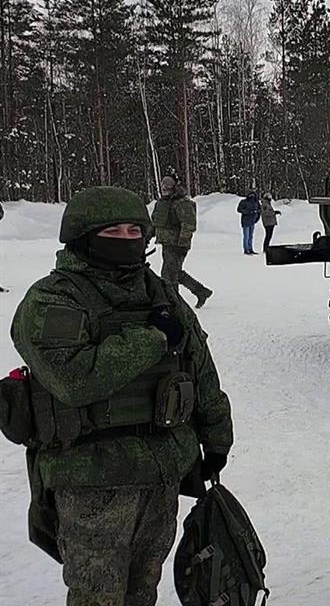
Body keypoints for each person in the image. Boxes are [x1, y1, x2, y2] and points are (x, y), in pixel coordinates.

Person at [8, 185, 234, 605]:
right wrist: (152, 340)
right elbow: (74, 380)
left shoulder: (161, 293)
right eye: (114, 231)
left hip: (162, 472)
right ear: (81, 236)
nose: (128, 240)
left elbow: (199, 368)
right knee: (98, 596)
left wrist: (217, 439)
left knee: (142, 590)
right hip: (92, 481)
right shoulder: (52, 299)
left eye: (136, 231)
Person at [151, 175, 213, 308]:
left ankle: (173, 303)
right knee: (174, 273)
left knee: (169, 275)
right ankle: (201, 291)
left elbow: (189, 225)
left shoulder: (182, 203)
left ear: (174, 186)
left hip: (177, 245)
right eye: (163, 184)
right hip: (166, 243)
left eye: (168, 184)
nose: (164, 187)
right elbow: (156, 223)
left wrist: (182, 244)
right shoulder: (162, 203)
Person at [236, 191, 261, 255]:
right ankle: (246, 249)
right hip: (246, 221)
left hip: (252, 221)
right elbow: (239, 209)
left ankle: (250, 248)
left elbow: (259, 211)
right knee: (246, 236)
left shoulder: (256, 202)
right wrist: (248, 212)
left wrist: (257, 218)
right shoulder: (244, 202)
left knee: (250, 236)